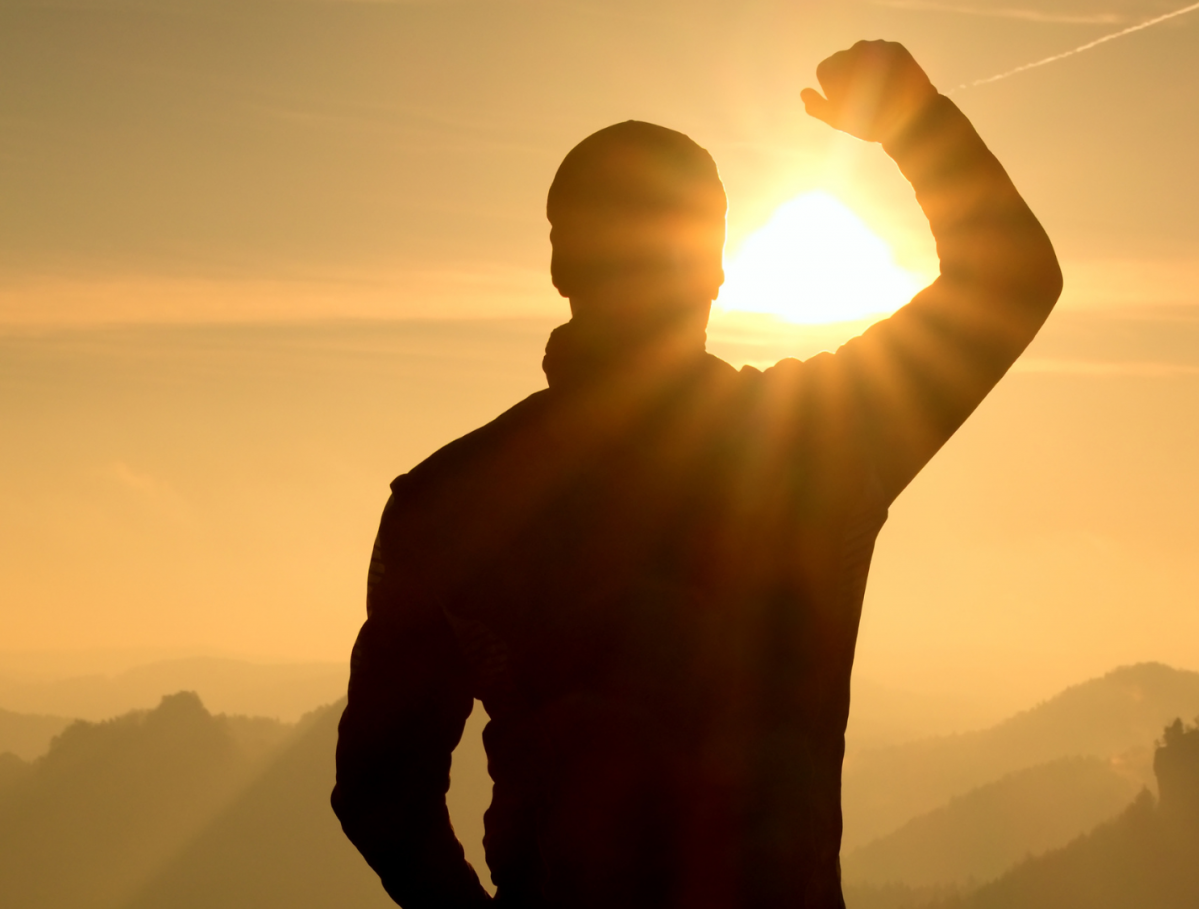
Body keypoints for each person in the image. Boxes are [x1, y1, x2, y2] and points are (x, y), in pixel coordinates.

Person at [332, 40, 1061, 908]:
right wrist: (915, 123)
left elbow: (381, 792)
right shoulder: (815, 444)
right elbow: (1012, 276)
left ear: (562, 266)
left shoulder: (445, 501)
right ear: (717, 268)